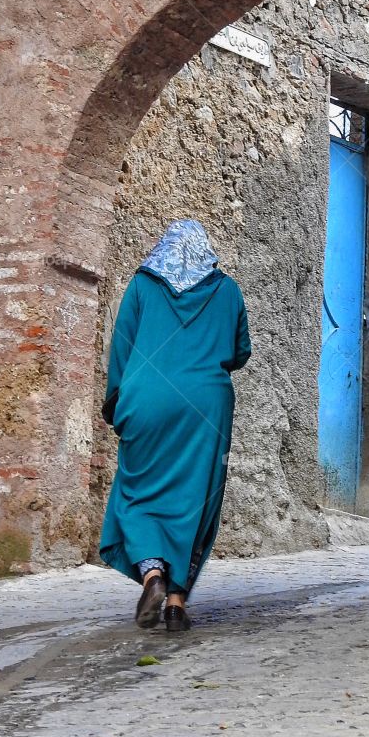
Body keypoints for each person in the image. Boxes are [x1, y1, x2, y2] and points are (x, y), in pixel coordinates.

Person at [99, 219, 251, 631]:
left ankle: (152, 576)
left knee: (137, 493)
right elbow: (240, 353)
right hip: (206, 407)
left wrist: (116, 402)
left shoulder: (142, 286)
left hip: (146, 398)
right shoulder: (228, 290)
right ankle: (177, 603)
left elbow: (122, 349)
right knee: (196, 500)